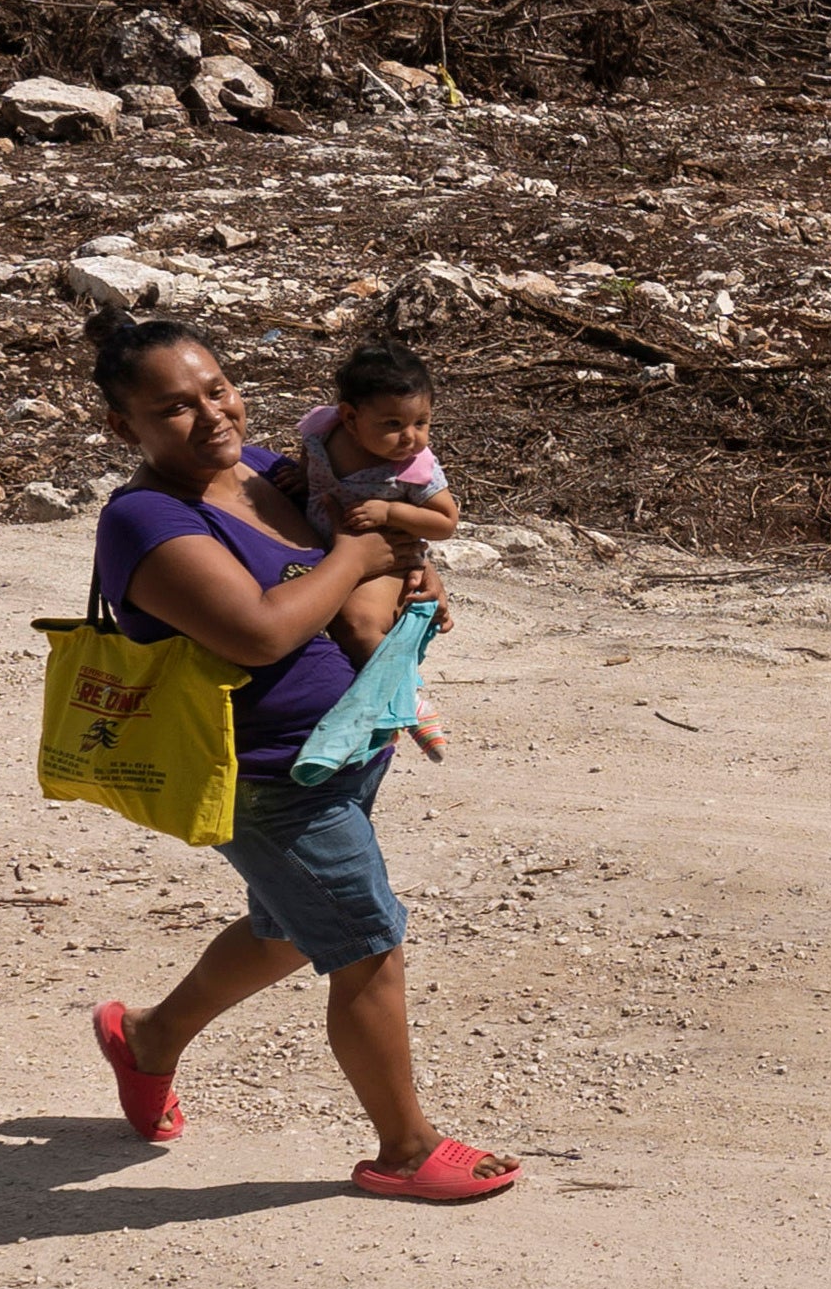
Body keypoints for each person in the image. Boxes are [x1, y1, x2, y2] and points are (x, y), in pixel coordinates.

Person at [78, 313, 517, 1204]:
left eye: (217, 389)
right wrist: (358, 552)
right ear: (125, 428)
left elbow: (371, 546)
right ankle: (405, 1149)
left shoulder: (263, 470)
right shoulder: (145, 519)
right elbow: (258, 633)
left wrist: (414, 573)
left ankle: (149, 1037)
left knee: (287, 925)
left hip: (346, 748)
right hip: (269, 777)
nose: (211, 415)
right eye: (174, 407)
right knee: (366, 943)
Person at [262, 336, 460, 756]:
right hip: (329, 546)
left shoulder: (412, 467)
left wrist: (391, 512)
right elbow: (311, 454)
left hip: (384, 557)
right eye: (393, 424)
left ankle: (406, 701)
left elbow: (445, 521)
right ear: (350, 417)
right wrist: (304, 476)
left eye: (422, 422)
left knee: (357, 624)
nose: (410, 437)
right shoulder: (324, 430)